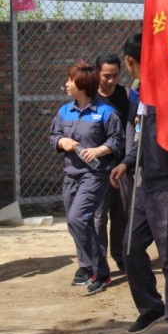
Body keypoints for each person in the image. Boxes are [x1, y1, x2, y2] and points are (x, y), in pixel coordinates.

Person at [110, 34, 168, 334]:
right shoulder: (139, 93)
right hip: (143, 183)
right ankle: (151, 307)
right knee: (130, 248)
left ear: (129, 61)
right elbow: (138, 132)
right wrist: (127, 161)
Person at [49, 61, 124, 294]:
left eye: (70, 80)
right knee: (78, 223)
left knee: (78, 219)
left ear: (82, 85)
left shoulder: (106, 112)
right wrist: (62, 141)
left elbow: (117, 140)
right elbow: (54, 136)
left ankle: (101, 273)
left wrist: (100, 150)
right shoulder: (64, 111)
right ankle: (88, 267)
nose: (66, 84)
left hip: (94, 175)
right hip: (70, 175)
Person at [94, 52, 130, 271]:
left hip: (120, 164)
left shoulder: (126, 95)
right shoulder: (89, 96)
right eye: (106, 76)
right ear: (97, 73)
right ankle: (98, 261)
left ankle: (119, 254)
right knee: (98, 216)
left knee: (121, 213)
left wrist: (130, 155)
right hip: (96, 167)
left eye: (115, 75)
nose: (110, 81)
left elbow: (136, 124)